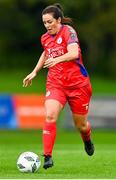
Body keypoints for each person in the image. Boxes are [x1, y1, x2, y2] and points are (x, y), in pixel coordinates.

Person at [23, 3, 94, 170]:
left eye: (50, 22)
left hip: (78, 85)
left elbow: (74, 52)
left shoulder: (68, 31)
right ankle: (47, 156)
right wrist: (34, 72)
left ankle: (87, 139)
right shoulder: (45, 38)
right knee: (50, 116)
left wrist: (57, 59)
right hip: (56, 83)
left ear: (59, 20)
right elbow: (46, 52)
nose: (47, 26)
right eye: (44, 23)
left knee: (81, 126)